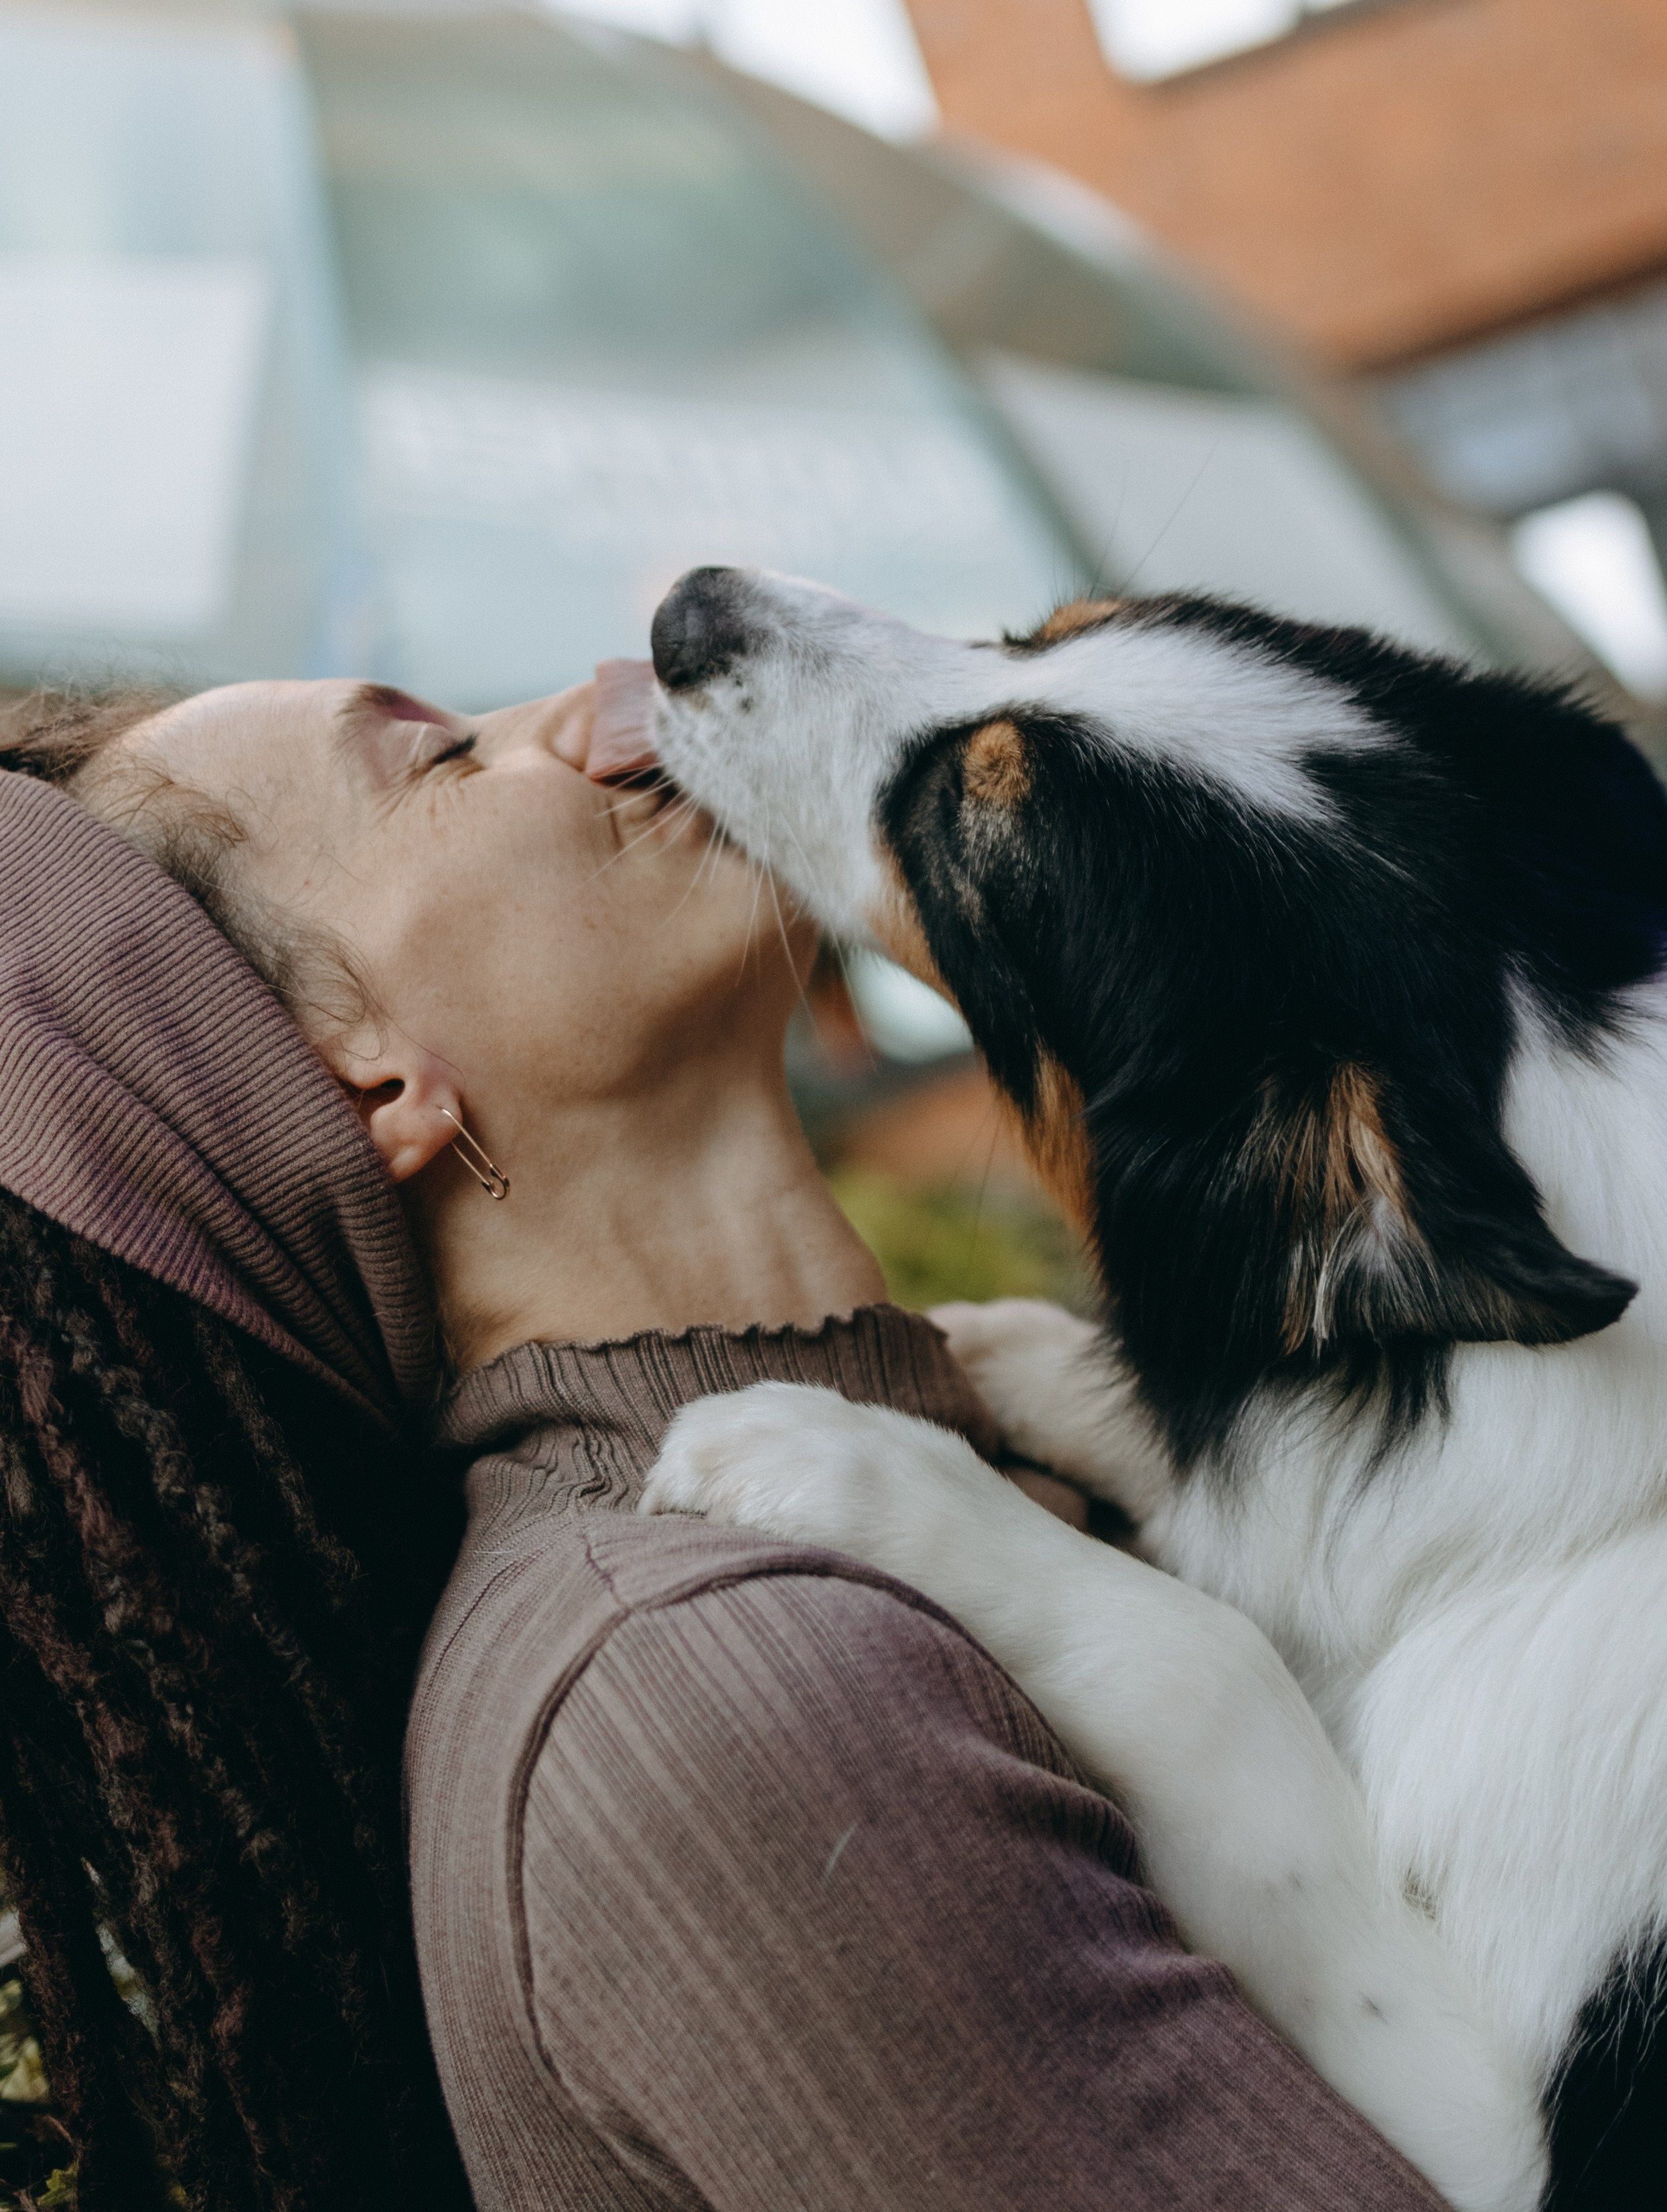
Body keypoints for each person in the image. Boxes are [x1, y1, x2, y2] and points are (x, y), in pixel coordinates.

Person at [0, 676, 1444, 2212]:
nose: (599, 705)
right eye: (441, 758)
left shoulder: (984, 1454)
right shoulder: (704, 1681)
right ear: (369, 1075)